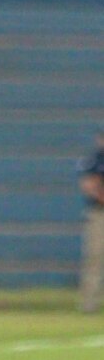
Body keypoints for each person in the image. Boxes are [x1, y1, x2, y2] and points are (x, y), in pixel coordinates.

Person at [78, 130, 104, 313]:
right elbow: (89, 184)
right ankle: (89, 304)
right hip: (99, 213)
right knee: (94, 257)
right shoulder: (93, 160)